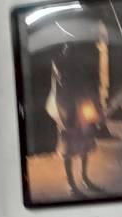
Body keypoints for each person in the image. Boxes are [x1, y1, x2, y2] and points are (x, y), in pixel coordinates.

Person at [46, 42, 102, 197]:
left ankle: (84, 178)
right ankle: (71, 184)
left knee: (85, 145)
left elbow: (87, 86)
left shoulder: (79, 64)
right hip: (67, 111)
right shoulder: (58, 64)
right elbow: (58, 90)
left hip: (81, 108)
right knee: (68, 148)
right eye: (67, 49)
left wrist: (94, 108)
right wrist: (63, 116)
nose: (70, 51)